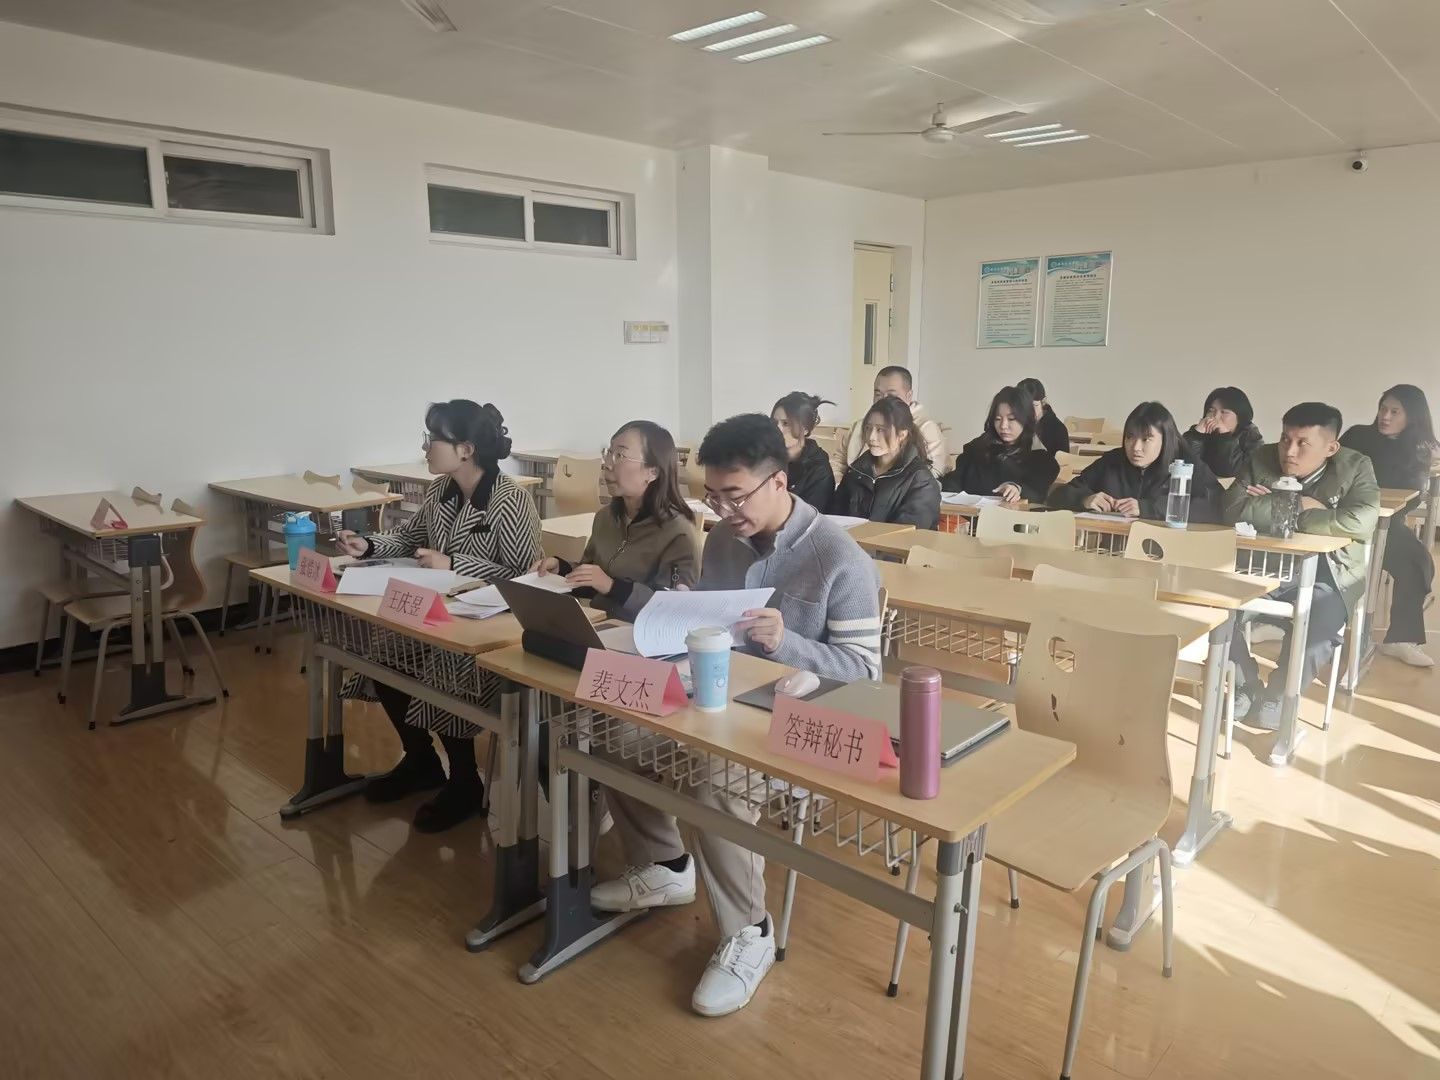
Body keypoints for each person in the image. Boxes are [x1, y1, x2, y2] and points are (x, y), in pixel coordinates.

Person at [591, 414, 882, 1018]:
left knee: (714, 777)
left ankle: (750, 930)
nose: (723, 510)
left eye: (736, 495)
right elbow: (715, 618)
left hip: (799, 727)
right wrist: (677, 617)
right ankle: (667, 865)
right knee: (613, 730)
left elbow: (866, 676)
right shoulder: (724, 538)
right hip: (722, 705)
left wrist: (788, 644)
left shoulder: (840, 559)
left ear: (779, 481)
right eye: (714, 496)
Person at [336, 400, 541, 832]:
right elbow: (410, 538)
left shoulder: (511, 500)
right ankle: (422, 761)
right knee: (383, 655)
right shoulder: (440, 491)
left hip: (494, 626)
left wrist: (455, 563)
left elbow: (524, 576)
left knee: (445, 668)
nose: (426, 447)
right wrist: (368, 545)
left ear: (466, 449)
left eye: (434, 439)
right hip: (442, 615)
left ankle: (464, 781)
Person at [1225, 402, 1380, 727]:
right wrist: (1302, 505)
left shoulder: (1355, 466)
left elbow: (1362, 522)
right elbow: (1230, 510)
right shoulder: (1261, 458)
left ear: (1331, 448)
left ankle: (1279, 696)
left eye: (1302, 443)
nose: (1289, 451)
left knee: (1318, 631)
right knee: (1218, 612)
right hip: (1263, 565)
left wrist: (1274, 506)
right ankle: (1244, 685)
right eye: (1285, 439)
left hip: (1330, 574)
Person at [531, 420, 700, 618]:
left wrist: (611, 586)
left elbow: (673, 608)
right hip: (598, 622)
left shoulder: (678, 532)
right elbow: (593, 578)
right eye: (608, 453)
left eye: (620, 455)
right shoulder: (606, 518)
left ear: (652, 471)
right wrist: (562, 569)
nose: (608, 464)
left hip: (639, 631)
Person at [1340, 385, 1438, 667]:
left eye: (1395, 412)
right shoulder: (1358, 436)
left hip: (1387, 522)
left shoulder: (1419, 449)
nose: (1385, 416)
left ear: (1412, 416)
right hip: (1349, 517)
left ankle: (1400, 640)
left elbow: (1412, 496)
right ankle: (1280, 623)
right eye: (1383, 409)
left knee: (1418, 561)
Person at [1050, 401, 1222, 522]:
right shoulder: (1112, 461)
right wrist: (1084, 499)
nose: (1136, 447)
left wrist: (1147, 508)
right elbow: (1058, 495)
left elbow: (1217, 507)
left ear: (1165, 439)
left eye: (1146, 439)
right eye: (1130, 437)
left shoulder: (1186, 466)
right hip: (1115, 550)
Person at [832, 396, 941, 529]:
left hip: (889, 543)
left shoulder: (921, 480)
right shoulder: (856, 471)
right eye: (868, 428)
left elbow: (907, 533)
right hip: (849, 541)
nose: (871, 437)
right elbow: (834, 517)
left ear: (902, 435)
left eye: (880, 430)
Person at [943, 385, 1061, 504]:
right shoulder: (977, 449)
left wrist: (1017, 489)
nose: (1003, 426)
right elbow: (955, 482)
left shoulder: (1041, 460)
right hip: (968, 514)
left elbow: (1036, 493)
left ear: (1026, 420)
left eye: (1011, 419)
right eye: (998, 419)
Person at [829, 365, 946, 482]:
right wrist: (840, 484)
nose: (883, 400)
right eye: (878, 394)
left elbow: (935, 472)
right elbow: (838, 462)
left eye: (891, 395)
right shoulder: (859, 426)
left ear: (909, 396)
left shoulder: (926, 428)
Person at [771, 391, 836, 510]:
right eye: (775, 423)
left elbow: (808, 516)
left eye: (786, 423)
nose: (777, 429)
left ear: (805, 429)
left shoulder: (820, 471)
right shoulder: (765, 457)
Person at [1182, 386, 1264, 479]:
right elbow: (1183, 467)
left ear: (1240, 416)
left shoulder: (1251, 437)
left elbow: (1229, 473)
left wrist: (1225, 437)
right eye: (1211, 411)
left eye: (1224, 412)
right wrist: (1196, 435)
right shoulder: (1200, 433)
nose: (1215, 417)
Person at [1017, 376, 1070, 453]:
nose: (1027, 411)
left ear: (1043, 402)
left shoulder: (1058, 429)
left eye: (1033, 405)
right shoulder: (1014, 424)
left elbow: (1063, 459)